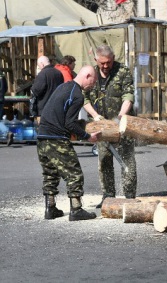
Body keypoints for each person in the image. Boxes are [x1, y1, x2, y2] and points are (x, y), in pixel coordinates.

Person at [37, 65, 101, 221]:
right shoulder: (77, 94)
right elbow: (69, 124)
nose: (93, 85)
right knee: (74, 174)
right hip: (57, 139)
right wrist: (87, 136)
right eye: (93, 81)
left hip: (42, 137)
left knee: (50, 174)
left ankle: (50, 209)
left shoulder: (63, 87)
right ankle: (76, 209)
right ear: (87, 76)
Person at [83, 45, 137, 208]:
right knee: (104, 160)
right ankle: (108, 196)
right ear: (96, 60)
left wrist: (120, 117)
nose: (106, 66)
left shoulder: (123, 71)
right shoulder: (91, 74)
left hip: (122, 125)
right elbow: (84, 98)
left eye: (109, 62)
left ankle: (129, 197)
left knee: (127, 160)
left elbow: (128, 95)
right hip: (101, 126)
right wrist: (95, 116)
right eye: (102, 63)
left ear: (113, 59)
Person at [30, 56, 64, 123]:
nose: (39, 67)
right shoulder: (59, 73)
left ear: (42, 64)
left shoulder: (42, 74)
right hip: (57, 109)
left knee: (43, 131)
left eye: (39, 65)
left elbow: (36, 91)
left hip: (44, 110)